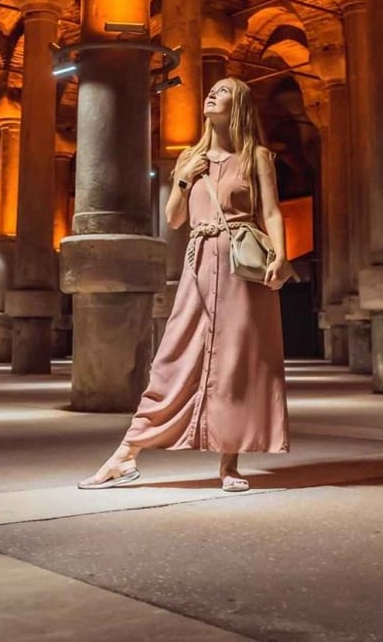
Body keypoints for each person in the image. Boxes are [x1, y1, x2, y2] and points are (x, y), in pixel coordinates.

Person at [79, 77, 291, 493]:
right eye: (211, 89)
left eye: (224, 90)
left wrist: (282, 256)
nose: (212, 93)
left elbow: (273, 212)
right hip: (198, 268)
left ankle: (229, 464)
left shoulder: (257, 157)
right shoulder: (189, 157)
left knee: (235, 363)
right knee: (173, 358)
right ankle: (126, 454)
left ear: (241, 105)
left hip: (240, 270)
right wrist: (182, 179)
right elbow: (175, 219)